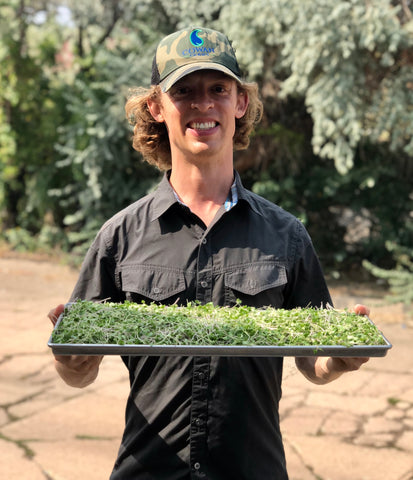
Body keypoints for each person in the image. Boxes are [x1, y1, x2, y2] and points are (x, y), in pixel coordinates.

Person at [48, 26, 369, 479]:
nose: (203, 104)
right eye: (184, 90)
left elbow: (311, 359)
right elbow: (80, 370)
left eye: (218, 88)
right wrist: (72, 363)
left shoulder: (287, 235)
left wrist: (336, 360)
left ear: (240, 103)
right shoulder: (120, 236)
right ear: (156, 107)